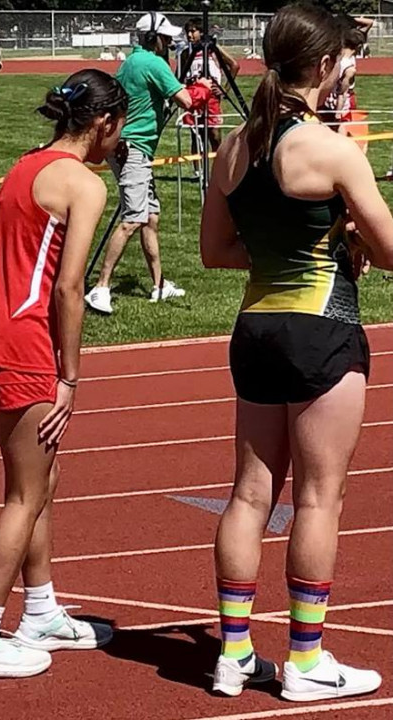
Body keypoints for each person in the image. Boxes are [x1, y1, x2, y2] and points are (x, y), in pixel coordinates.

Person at [200, 3, 393, 702]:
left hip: (254, 329)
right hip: (323, 328)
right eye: (346, 57)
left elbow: (215, 252)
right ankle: (306, 661)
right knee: (319, 498)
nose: (352, 67)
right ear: (321, 65)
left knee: (250, 495)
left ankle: (233, 653)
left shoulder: (233, 144)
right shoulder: (331, 147)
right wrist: (346, 241)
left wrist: (297, 244)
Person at [0, 69, 128, 681]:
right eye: (121, 128)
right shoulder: (83, 184)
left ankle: (40, 610)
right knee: (25, 493)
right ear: (104, 124)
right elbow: (69, 287)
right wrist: (70, 376)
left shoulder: (25, 164)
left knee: (40, 475)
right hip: (21, 339)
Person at [84, 12, 194, 315]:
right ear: (152, 38)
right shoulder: (152, 63)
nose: (170, 42)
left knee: (150, 217)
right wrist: (203, 89)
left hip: (130, 147)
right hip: (133, 149)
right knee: (133, 218)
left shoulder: (132, 61)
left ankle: (159, 284)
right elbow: (186, 100)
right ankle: (101, 287)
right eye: (165, 37)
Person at [182, 17, 240, 155]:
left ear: (201, 32)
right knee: (196, 135)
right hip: (194, 96)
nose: (189, 35)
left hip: (211, 97)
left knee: (214, 134)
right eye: (187, 32)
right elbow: (180, 74)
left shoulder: (213, 50)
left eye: (193, 31)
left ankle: (217, 167)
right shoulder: (186, 53)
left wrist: (224, 89)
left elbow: (234, 65)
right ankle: (198, 172)